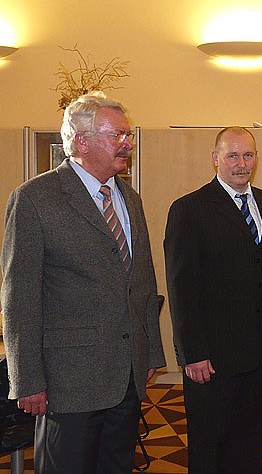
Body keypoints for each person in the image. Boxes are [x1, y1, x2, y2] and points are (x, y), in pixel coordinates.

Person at [0, 91, 165, 474]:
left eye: (128, 135)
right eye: (117, 135)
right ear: (81, 141)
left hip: (126, 374)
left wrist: (150, 353)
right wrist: (26, 379)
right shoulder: (35, 198)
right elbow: (19, 298)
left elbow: (142, 283)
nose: (128, 143)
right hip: (68, 379)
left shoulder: (129, 197)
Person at [164, 126, 262, 473]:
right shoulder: (189, 209)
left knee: (251, 441)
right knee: (210, 446)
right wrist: (192, 353)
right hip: (212, 357)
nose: (242, 163)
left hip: (261, 351)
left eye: (248, 155)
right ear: (216, 158)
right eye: (232, 155)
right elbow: (181, 287)